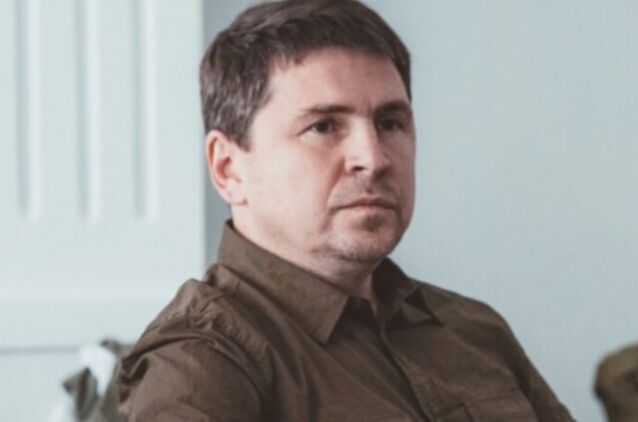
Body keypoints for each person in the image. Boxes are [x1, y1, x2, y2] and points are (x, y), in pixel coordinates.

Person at [117, 0, 573, 420]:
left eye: (390, 123)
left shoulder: (475, 329)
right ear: (228, 168)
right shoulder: (201, 363)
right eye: (323, 126)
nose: (373, 158)